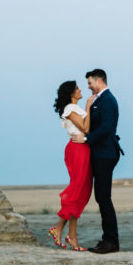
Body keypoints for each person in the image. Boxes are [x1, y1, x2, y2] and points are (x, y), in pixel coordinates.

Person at [71, 68, 123, 254]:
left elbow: (107, 128)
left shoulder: (108, 100)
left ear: (99, 80)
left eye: (90, 82)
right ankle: (108, 239)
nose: (88, 86)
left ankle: (112, 242)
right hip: (100, 153)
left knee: (103, 198)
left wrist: (86, 140)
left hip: (105, 154)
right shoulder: (98, 99)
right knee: (101, 197)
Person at [48, 80, 94, 252]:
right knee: (76, 190)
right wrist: (89, 106)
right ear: (70, 93)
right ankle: (60, 228)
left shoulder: (75, 108)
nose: (81, 89)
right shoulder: (70, 109)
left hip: (84, 148)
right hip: (77, 149)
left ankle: (71, 234)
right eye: (77, 88)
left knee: (82, 191)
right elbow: (85, 128)